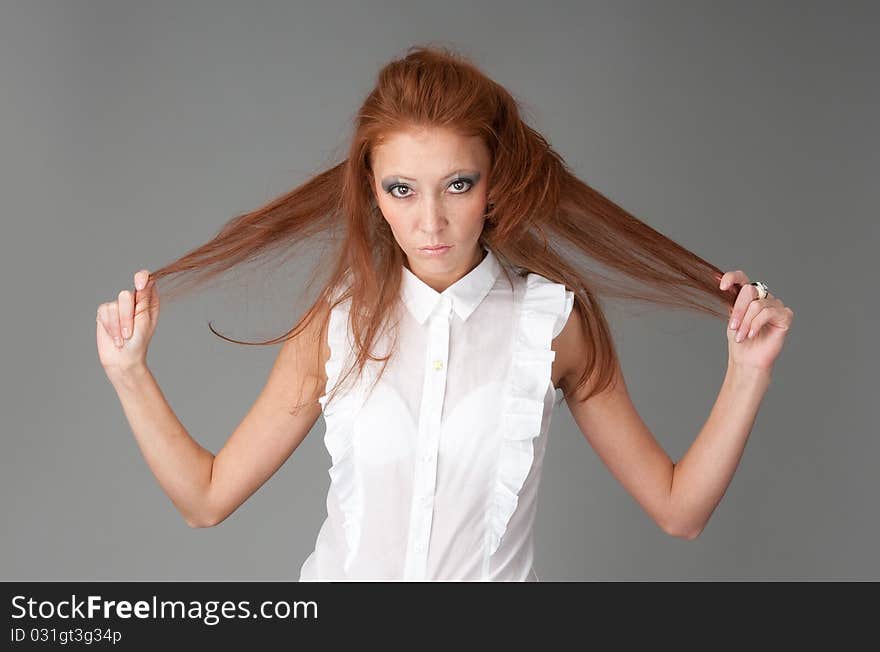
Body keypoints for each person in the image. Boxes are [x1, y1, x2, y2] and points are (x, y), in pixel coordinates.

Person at [95, 45, 795, 581]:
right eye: (401, 189)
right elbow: (207, 499)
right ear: (372, 192)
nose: (430, 220)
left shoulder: (551, 325)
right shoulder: (334, 327)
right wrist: (129, 372)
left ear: (494, 181)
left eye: (458, 184)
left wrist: (747, 372)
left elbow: (680, 511)